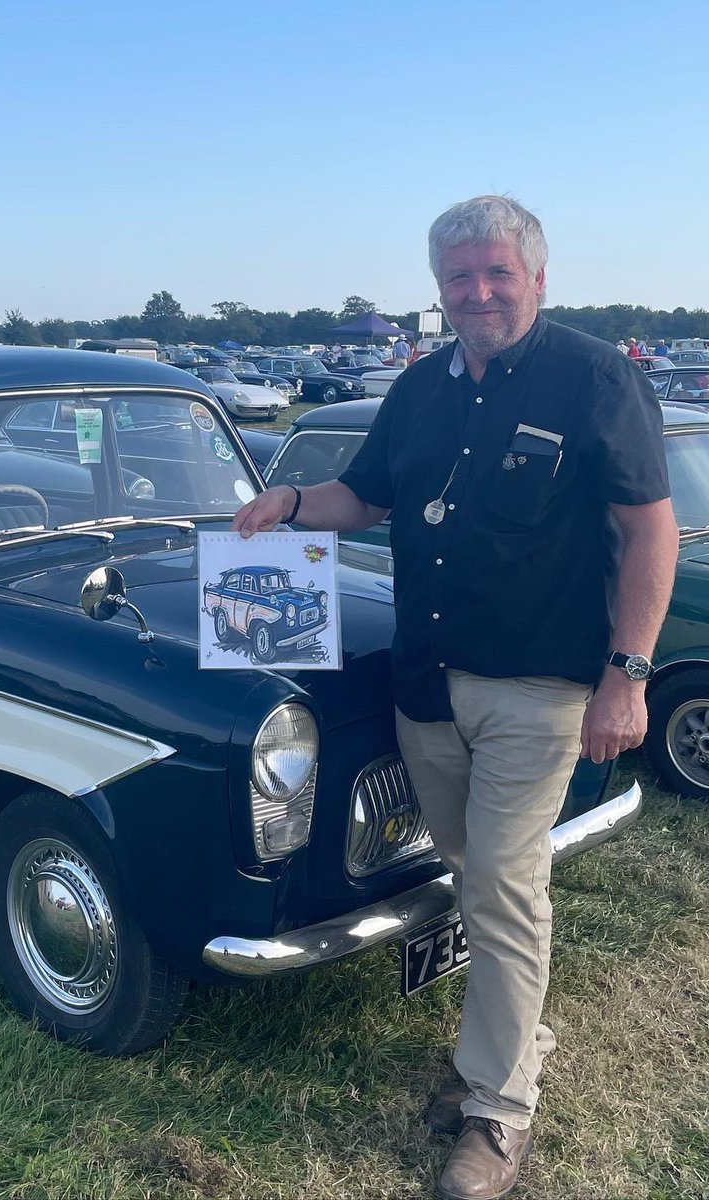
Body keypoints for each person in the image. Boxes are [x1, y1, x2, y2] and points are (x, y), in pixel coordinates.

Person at [233, 195, 677, 1200]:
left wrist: (630, 674)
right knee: (477, 874)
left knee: (504, 889)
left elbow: (650, 533)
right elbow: (370, 497)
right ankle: (523, 1041)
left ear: (537, 277)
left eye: (495, 274)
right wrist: (293, 505)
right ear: (437, 290)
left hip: (539, 689)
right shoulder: (419, 387)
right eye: (458, 279)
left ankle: (497, 1112)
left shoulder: (595, 378)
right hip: (426, 685)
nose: (476, 294)